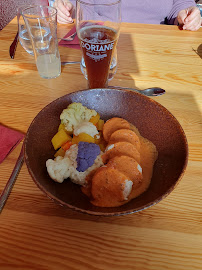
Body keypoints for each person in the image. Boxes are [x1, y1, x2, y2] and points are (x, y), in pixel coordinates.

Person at [52, 0, 201, 31]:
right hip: (105, 42)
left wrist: (186, 12)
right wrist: (68, 9)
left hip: (158, 47)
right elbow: (84, 7)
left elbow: (179, 3)